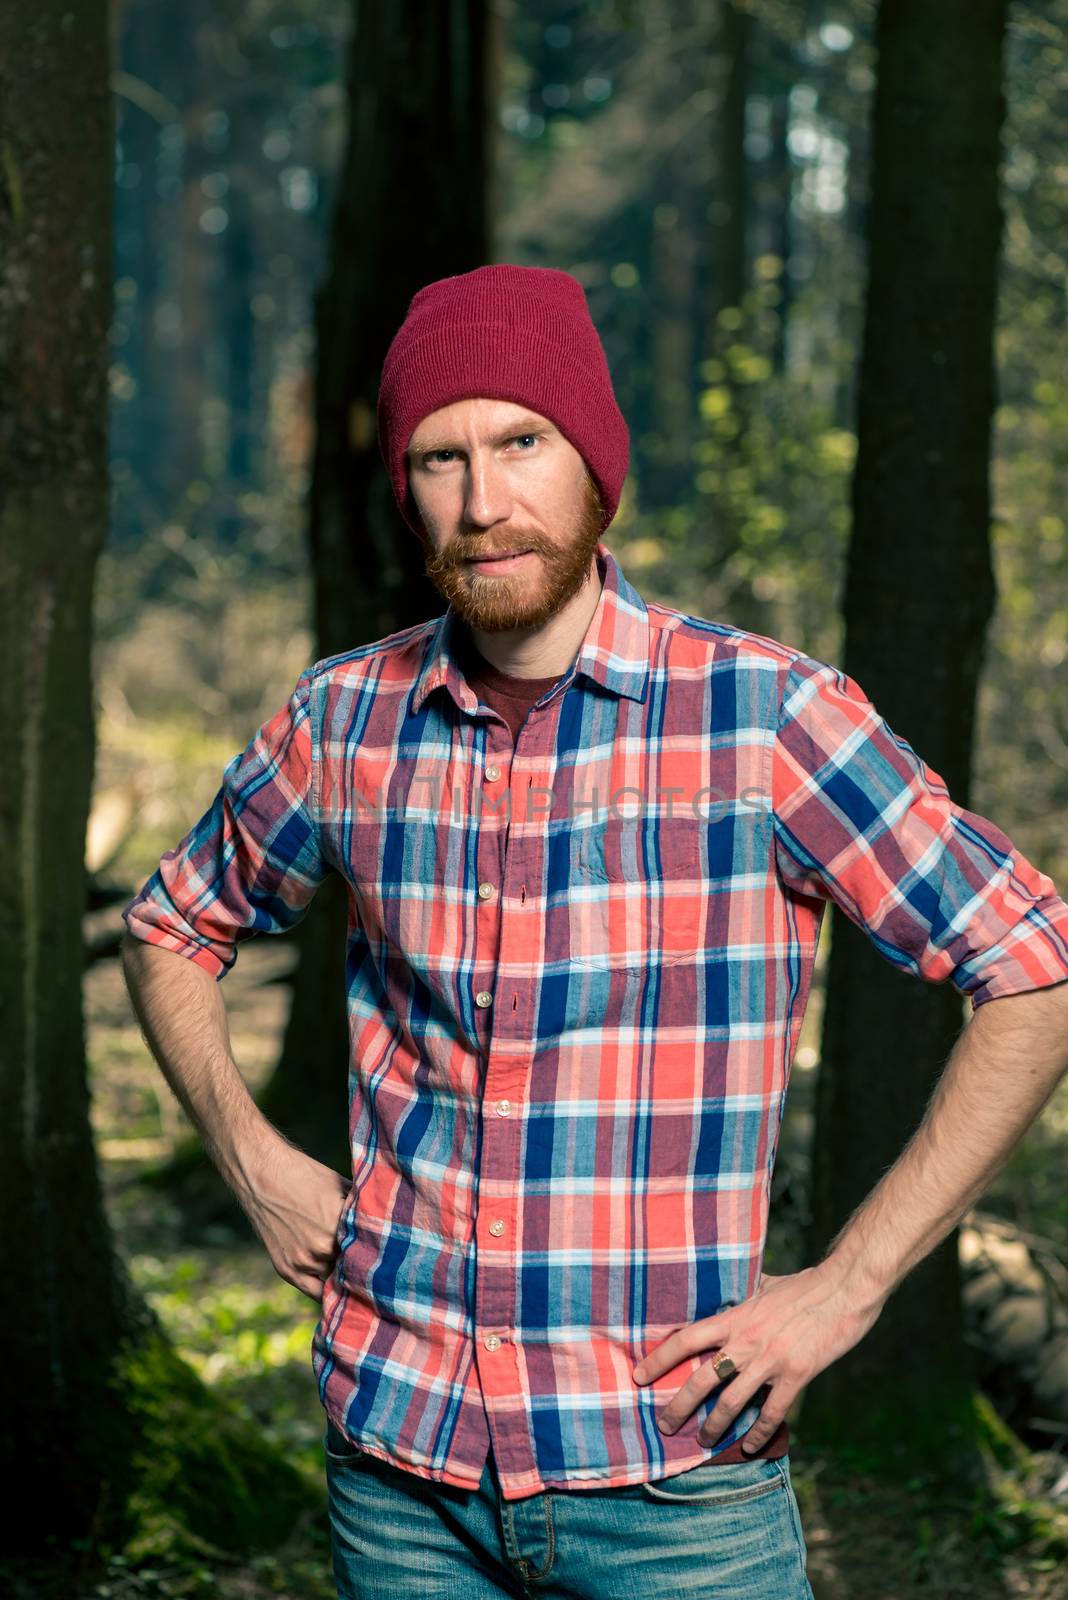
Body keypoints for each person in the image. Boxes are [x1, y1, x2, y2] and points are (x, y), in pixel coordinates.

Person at [120, 263, 1068, 1600]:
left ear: (594, 469)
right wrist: (250, 1155)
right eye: (440, 458)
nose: (484, 500)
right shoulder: (343, 719)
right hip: (400, 1472)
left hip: (675, 1484)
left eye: (522, 443)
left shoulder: (767, 720)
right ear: (407, 489)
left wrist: (851, 1285)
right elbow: (171, 923)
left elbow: (1033, 965)